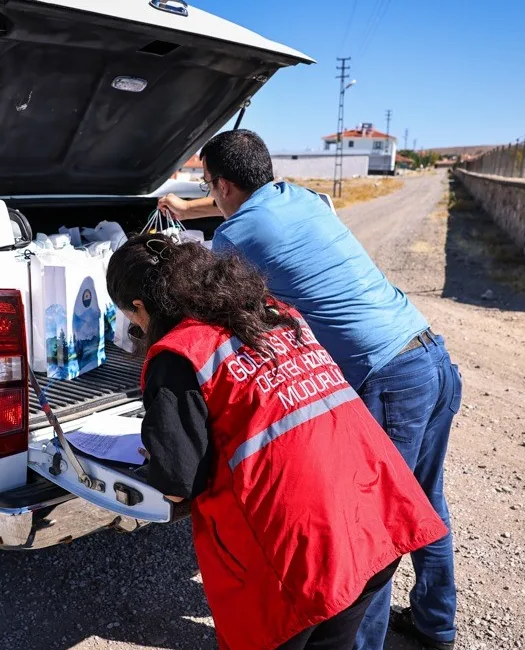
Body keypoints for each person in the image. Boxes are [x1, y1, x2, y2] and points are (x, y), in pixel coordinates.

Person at [158, 130, 462, 650]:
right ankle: (437, 623)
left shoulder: (232, 240)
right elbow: (241, 203)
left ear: (224, 185)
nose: (210, 194)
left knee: (373, 528)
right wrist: (186, 208)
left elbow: (222, 312)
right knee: (423, 499)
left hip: (385, 376)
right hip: (429, 354)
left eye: (208, 185)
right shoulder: (300, 196)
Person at [106, 233, 449, 650]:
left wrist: (156, 454)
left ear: (140, 307)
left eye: (131, 320)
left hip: (303, 560)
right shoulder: (274, 314)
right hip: (375, 520)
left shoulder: (179, 355)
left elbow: (178, 482)